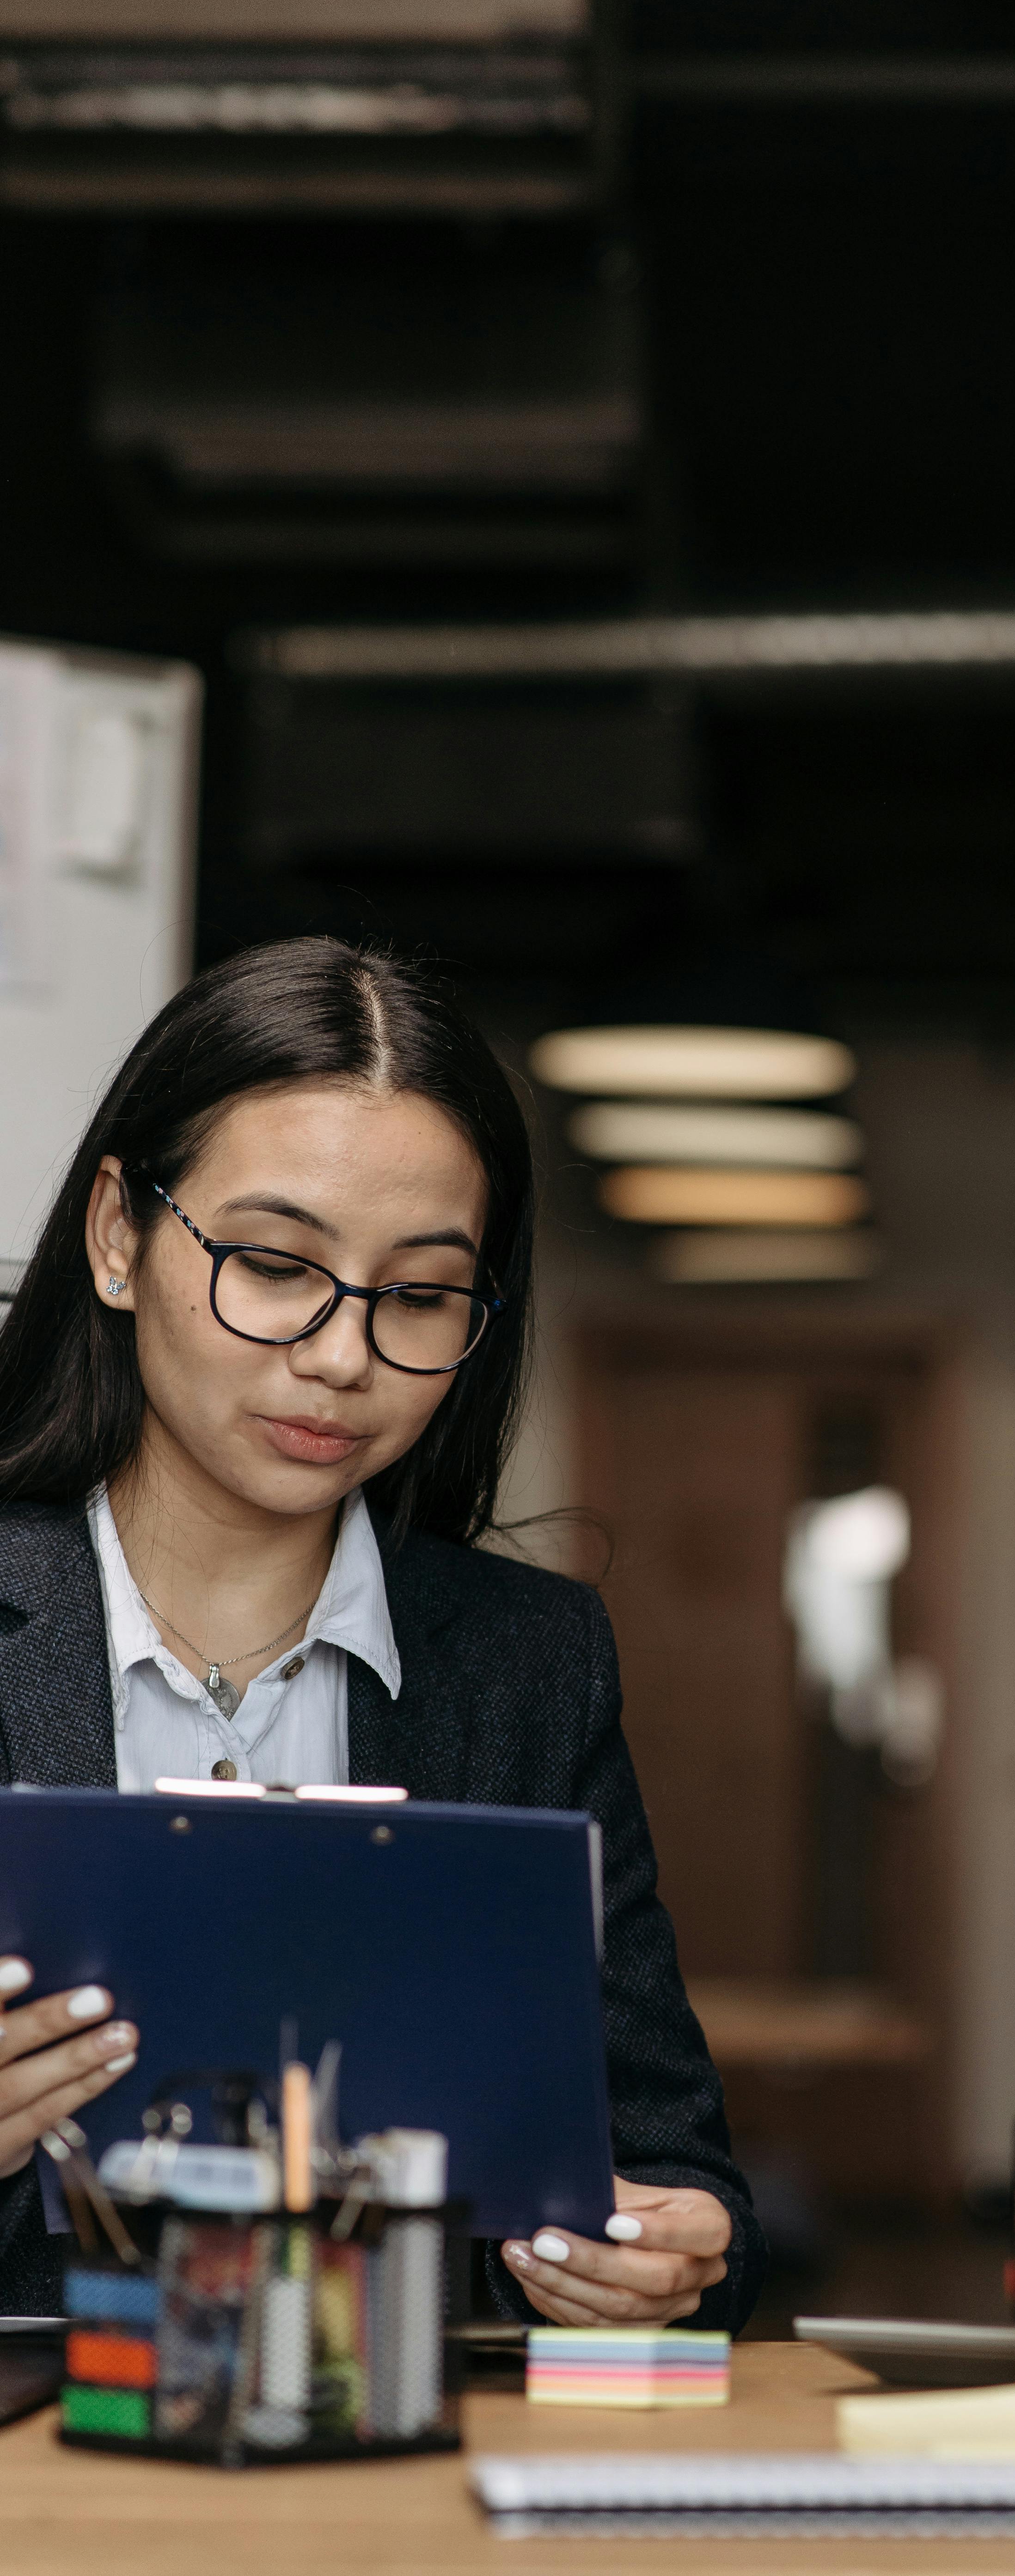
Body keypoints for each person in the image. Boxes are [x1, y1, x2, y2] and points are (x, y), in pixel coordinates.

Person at [0, 936, 764, 2330]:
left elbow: (664, 2161)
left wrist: (654, 2253)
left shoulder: (529, 1660)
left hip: (393, 2468)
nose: (343, 1355)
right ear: (120, 1236)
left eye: (417, 1296)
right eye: (276, 1265)